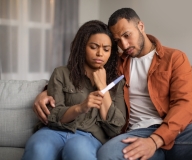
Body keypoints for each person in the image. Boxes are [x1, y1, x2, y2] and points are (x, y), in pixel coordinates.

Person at [33, 8, 192, 160]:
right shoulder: (116, 64)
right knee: (107, 154)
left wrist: (155, 141)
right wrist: (45, 91)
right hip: (136, 132)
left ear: (140, 26)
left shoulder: (174, 58)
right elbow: (83, 77)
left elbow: (183, 105)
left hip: (181, 129)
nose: (123, 45)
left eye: (127, 35)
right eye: (117, 41)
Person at [22, 20, 126, 160]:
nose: (100, 53)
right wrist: (80, 108)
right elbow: (53, 115)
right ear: (82, 47)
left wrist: (102, 85)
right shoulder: (61, 73)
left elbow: (116, 127)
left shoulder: (117, 83)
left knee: (77, 149)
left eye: (106, 49)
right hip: (54, 132)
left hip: (89, 136)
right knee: (39, 147)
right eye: (94, 47)